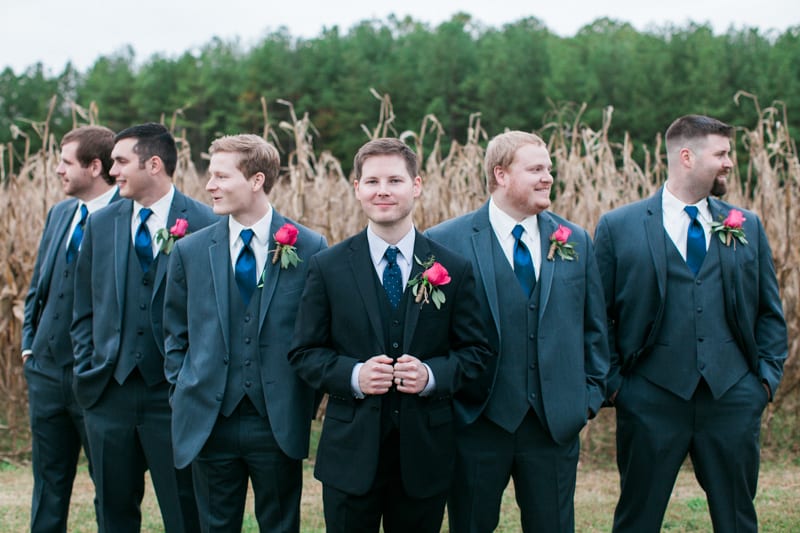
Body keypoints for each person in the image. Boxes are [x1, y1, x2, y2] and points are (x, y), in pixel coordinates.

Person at [593, 114, 788, 532]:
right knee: (637, 520)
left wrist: (764, 382)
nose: (729, 163)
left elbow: (769, 311)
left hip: (732, 398)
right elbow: (597, 315)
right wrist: (617, 387)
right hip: (649, 400)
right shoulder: (618, 227)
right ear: (686, 156)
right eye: (721, 154)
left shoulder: (747, 225)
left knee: (737, 519)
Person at [288, 137, 492, 533]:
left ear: (416, 186)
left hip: (425, 455)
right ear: (357, 188)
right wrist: (353, 375)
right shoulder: (327, 267)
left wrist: (432, 376)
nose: (383, 190)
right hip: (350, 453)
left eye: (395, 180)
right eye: (373, 181)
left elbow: (477, 352)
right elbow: (304, 352)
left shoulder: (453, 267)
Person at [426, 130, 609, 532]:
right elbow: (430, 336)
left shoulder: (574, 239)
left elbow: (594, 329)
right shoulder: (445, 241)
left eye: (549, 169)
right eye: (536, 169)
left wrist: (587, 399)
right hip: (476, 423)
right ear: (501, 175)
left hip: (553, 425)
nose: (548, 178)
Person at [163, 134, 327, 532]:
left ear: (256, 180)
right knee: (215, 525)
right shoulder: (191, 250)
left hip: (277, 419)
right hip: (209, 417)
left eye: (221, 176)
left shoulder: (309, 246)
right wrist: (183, 387)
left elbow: (319, 334)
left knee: (280, 524)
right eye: (210, 175)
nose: (209, 186)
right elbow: (174, 332)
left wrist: (301, 403)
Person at [70, 122, 217, 533]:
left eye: (120, 161)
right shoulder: (101, 224)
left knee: (184, 511)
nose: (112, 171)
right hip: (107, 393)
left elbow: (210, 314)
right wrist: (88, 366)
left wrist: (189, 380)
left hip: (171, 398)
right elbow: (84, 307)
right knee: (113, 511)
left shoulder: (204, 222)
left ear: (154, 164)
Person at [21, 126, 118, 532]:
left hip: (95, 378)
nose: (57, 170)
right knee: (48, 481)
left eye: (65, 162)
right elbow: (37, 287)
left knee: (110, 485)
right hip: (44, 372)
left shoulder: (125, 218)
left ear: (95, 167)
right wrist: (28, 346)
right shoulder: (60, 213)